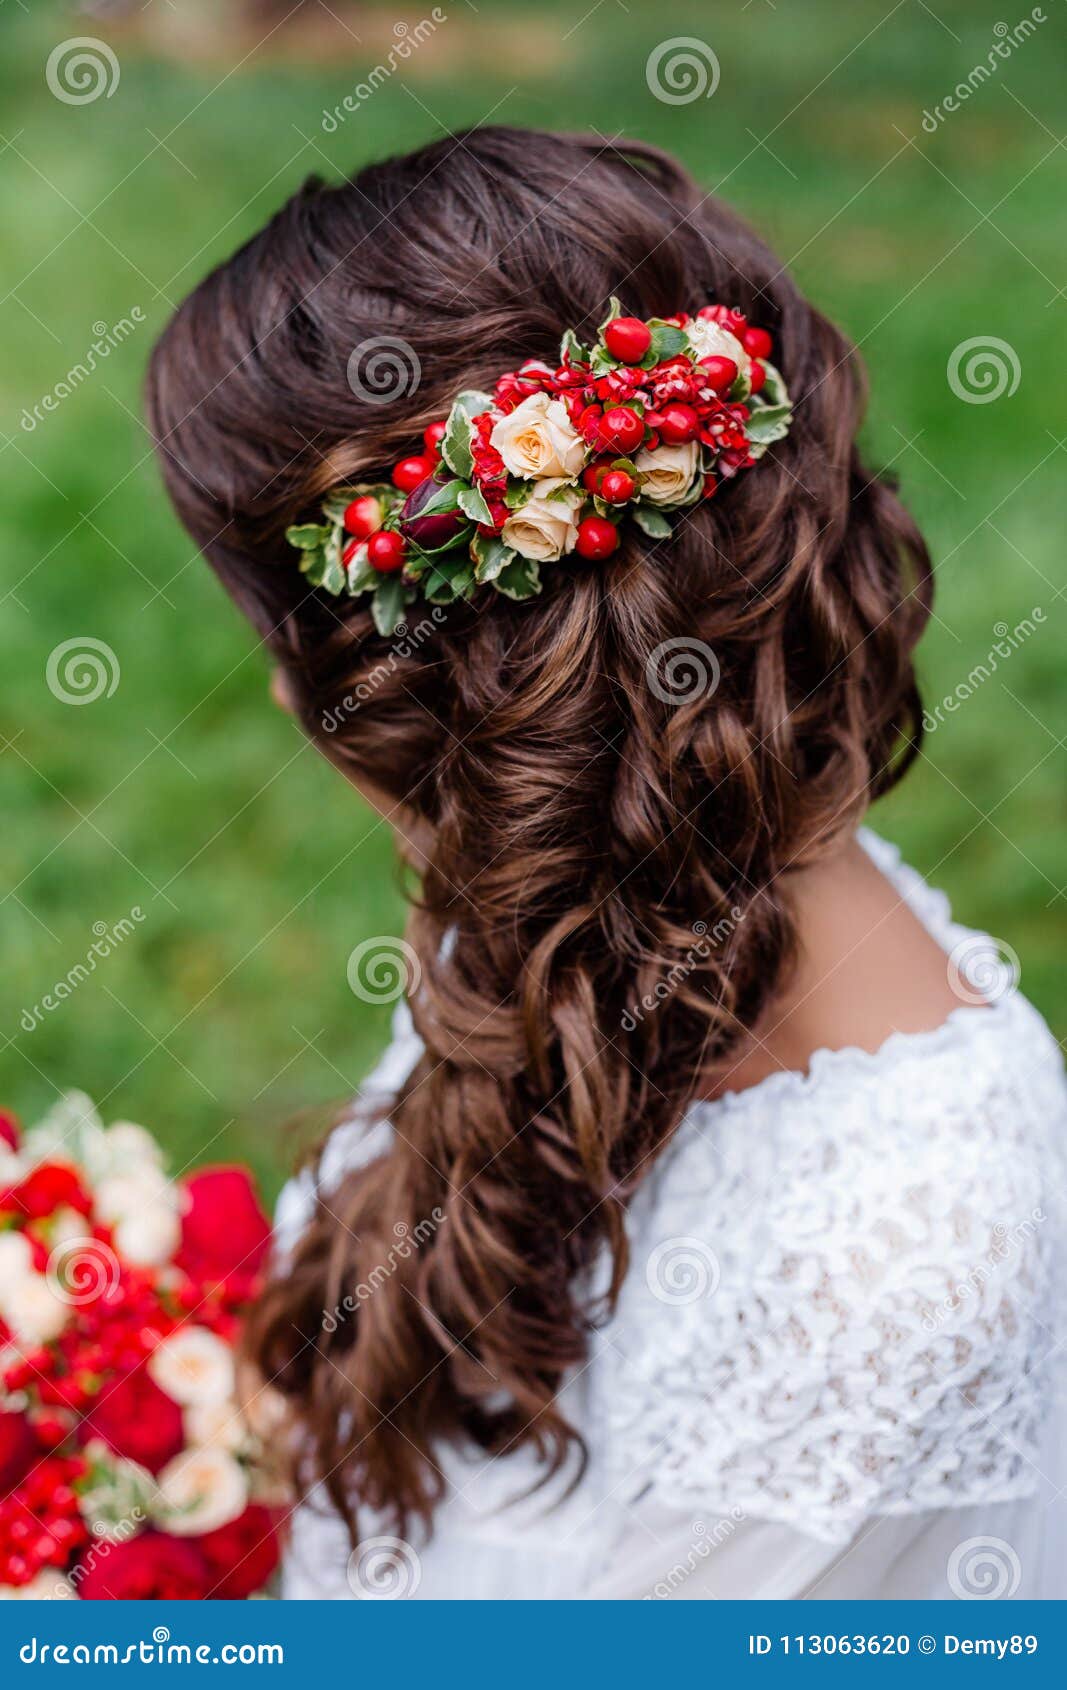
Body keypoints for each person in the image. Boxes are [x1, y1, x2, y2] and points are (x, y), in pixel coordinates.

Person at [146, 127, 1065, 1600]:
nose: (271, 695)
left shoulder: (892, 1265)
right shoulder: (579, 852)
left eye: (276, 644)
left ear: (425, 679)